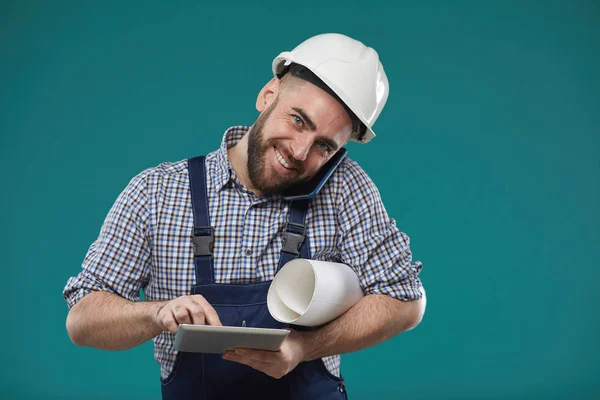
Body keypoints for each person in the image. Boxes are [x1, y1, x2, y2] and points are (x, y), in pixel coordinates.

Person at [63, 33, 426, 399]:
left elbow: (405, 300)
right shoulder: (157, 192)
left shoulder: (345, 188)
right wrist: (156, 315)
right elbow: (83, 320)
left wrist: (305, 348)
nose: (301, 152)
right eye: (299, 120)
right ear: (268, 94)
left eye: (324, 146)